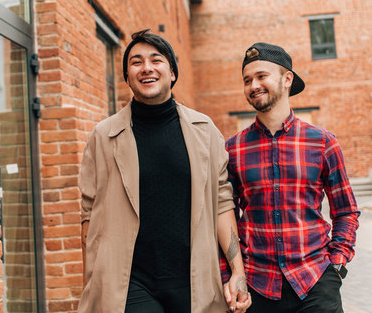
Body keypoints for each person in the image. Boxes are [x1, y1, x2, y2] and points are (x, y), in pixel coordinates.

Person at [78, 29, 251, 313]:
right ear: (127, 77)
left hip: (193, 281)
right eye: (136, 62)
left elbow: (222, 202)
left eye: (156, 60)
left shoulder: (205, 131)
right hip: (129, 283)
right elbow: (88, 213)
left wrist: (237, 271)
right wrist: (92, 282)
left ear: (172, 72)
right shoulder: (103, 136)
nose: (146, 67)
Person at [224, 42, 360, 313]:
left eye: (262, 76)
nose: (253, 85)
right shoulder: (232, 149)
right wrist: (228, 273)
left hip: (315, 283)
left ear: (287, 79)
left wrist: (337, 267)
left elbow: (346, 211)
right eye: (247, 80)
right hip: (256, 288)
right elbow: (224, 212)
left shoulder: (323, 142)